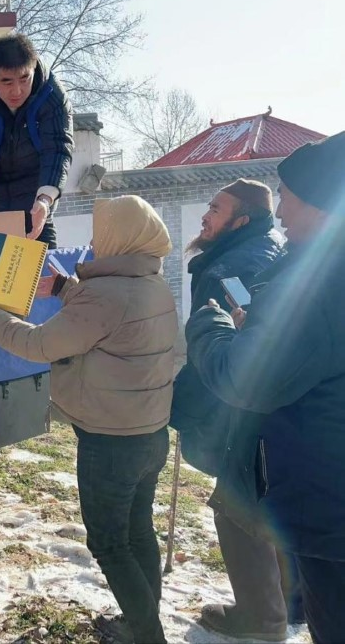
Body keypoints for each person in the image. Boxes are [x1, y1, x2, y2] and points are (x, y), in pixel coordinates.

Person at [0, 195, 177, 644]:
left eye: (100, 233)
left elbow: (41, 345)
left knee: (108, 543)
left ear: (119, 239)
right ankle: (143, 623)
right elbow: (111, 321)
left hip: (110, 443)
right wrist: (67, 290)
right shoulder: (152, 283)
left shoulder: (106, 296)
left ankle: (146, 633)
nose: (92, 241)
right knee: (138, 531)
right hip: (148, 434)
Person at [186, 131, 345, 644]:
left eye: (288, 195)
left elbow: (247, 377)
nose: (281, 211)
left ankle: (267, 617)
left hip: (329, 501)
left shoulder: (318, 280)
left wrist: (208, 328)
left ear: (321, 201)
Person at [171, 179, 301, 641]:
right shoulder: (263, 249)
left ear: (240, 221)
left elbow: (240, 345)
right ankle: (284, 606)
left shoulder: (233, 267)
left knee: (238, 507)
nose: (206, 216)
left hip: (242, 409)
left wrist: (198, 404)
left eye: (216, 209)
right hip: (270, 407)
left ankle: (264, 619)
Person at [0, 32, 74, 247]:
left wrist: (45, 199)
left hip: (36, 186)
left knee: (42, 250)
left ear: (34, 68)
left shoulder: (53, 94)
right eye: (6, 82)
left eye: (24, 79)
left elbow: (57, 148)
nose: (16, 91)